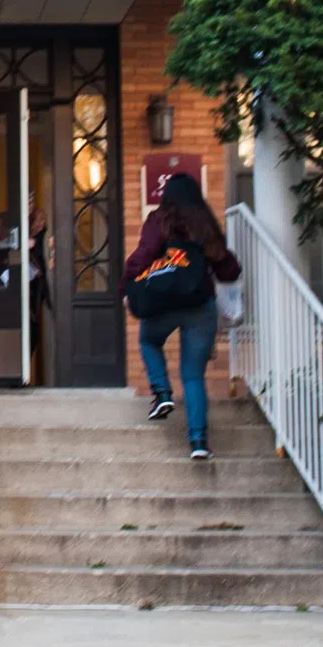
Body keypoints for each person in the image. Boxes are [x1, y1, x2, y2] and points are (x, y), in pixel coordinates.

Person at [123, 172, 240, 460]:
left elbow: (142, 257)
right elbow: (230, 270)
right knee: (192, 376)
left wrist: (126, 284)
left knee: (149, 340)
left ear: (167, 196)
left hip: (163, 301)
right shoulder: (204, 224)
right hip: (200, 305)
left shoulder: (159, 220)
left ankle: (161, 393)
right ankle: (199, 442)